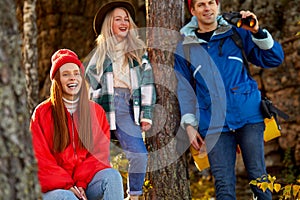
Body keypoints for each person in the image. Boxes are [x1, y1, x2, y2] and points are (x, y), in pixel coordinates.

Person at [174, 0, 284, 199]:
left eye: (210, 2)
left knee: (260, 180)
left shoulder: (236, 33)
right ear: (192, 10)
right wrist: (189, 125)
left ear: (217, 6)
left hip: (249, 115)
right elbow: (184, 89)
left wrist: (257, 31)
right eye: (200, 4)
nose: (207, 8)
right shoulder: (185, 48)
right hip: (214, 123)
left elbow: (274, 59)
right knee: (224, 187)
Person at [30, 49, 124, 200]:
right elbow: (40, 160)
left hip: (85, 184)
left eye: (76, 73)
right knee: (66, 197)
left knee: (113, 176)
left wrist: (81, 182)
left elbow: (99, 155)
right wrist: (67, 185)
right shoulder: (42, 113)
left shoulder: (96, 112)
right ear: (57, 80)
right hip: (54, 188)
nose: (72, 78)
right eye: (66, 74)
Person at [85, 1, 156, 199]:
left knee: (139, 155)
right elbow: (89, 82)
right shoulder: (100, 54)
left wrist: (146, 114)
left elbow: (148, 85)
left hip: (127, 109)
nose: (124, 22)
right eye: (118, 19)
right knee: (100, 160)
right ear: (109, 24)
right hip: (102, 107)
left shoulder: (138, 53)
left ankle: (133, 195)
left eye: (126, 19)